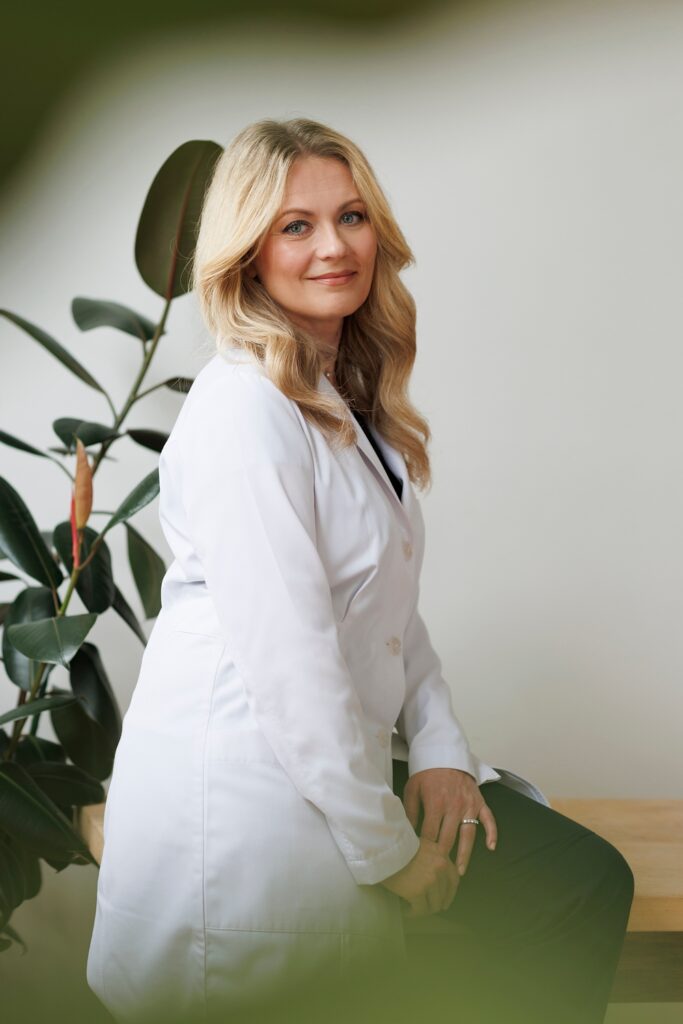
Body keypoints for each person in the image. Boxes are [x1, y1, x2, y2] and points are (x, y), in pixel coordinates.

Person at [86, 118, 634, 1024]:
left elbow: (390, 617)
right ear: (247, 254)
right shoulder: (243, 415)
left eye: (350, 216)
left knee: (579, 883)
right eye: (295, 226)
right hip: (244, 796)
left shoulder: (337, 401)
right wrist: (387, 851)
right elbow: (290, 662)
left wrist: (444, 753)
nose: (334, 246)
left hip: (333, 755)